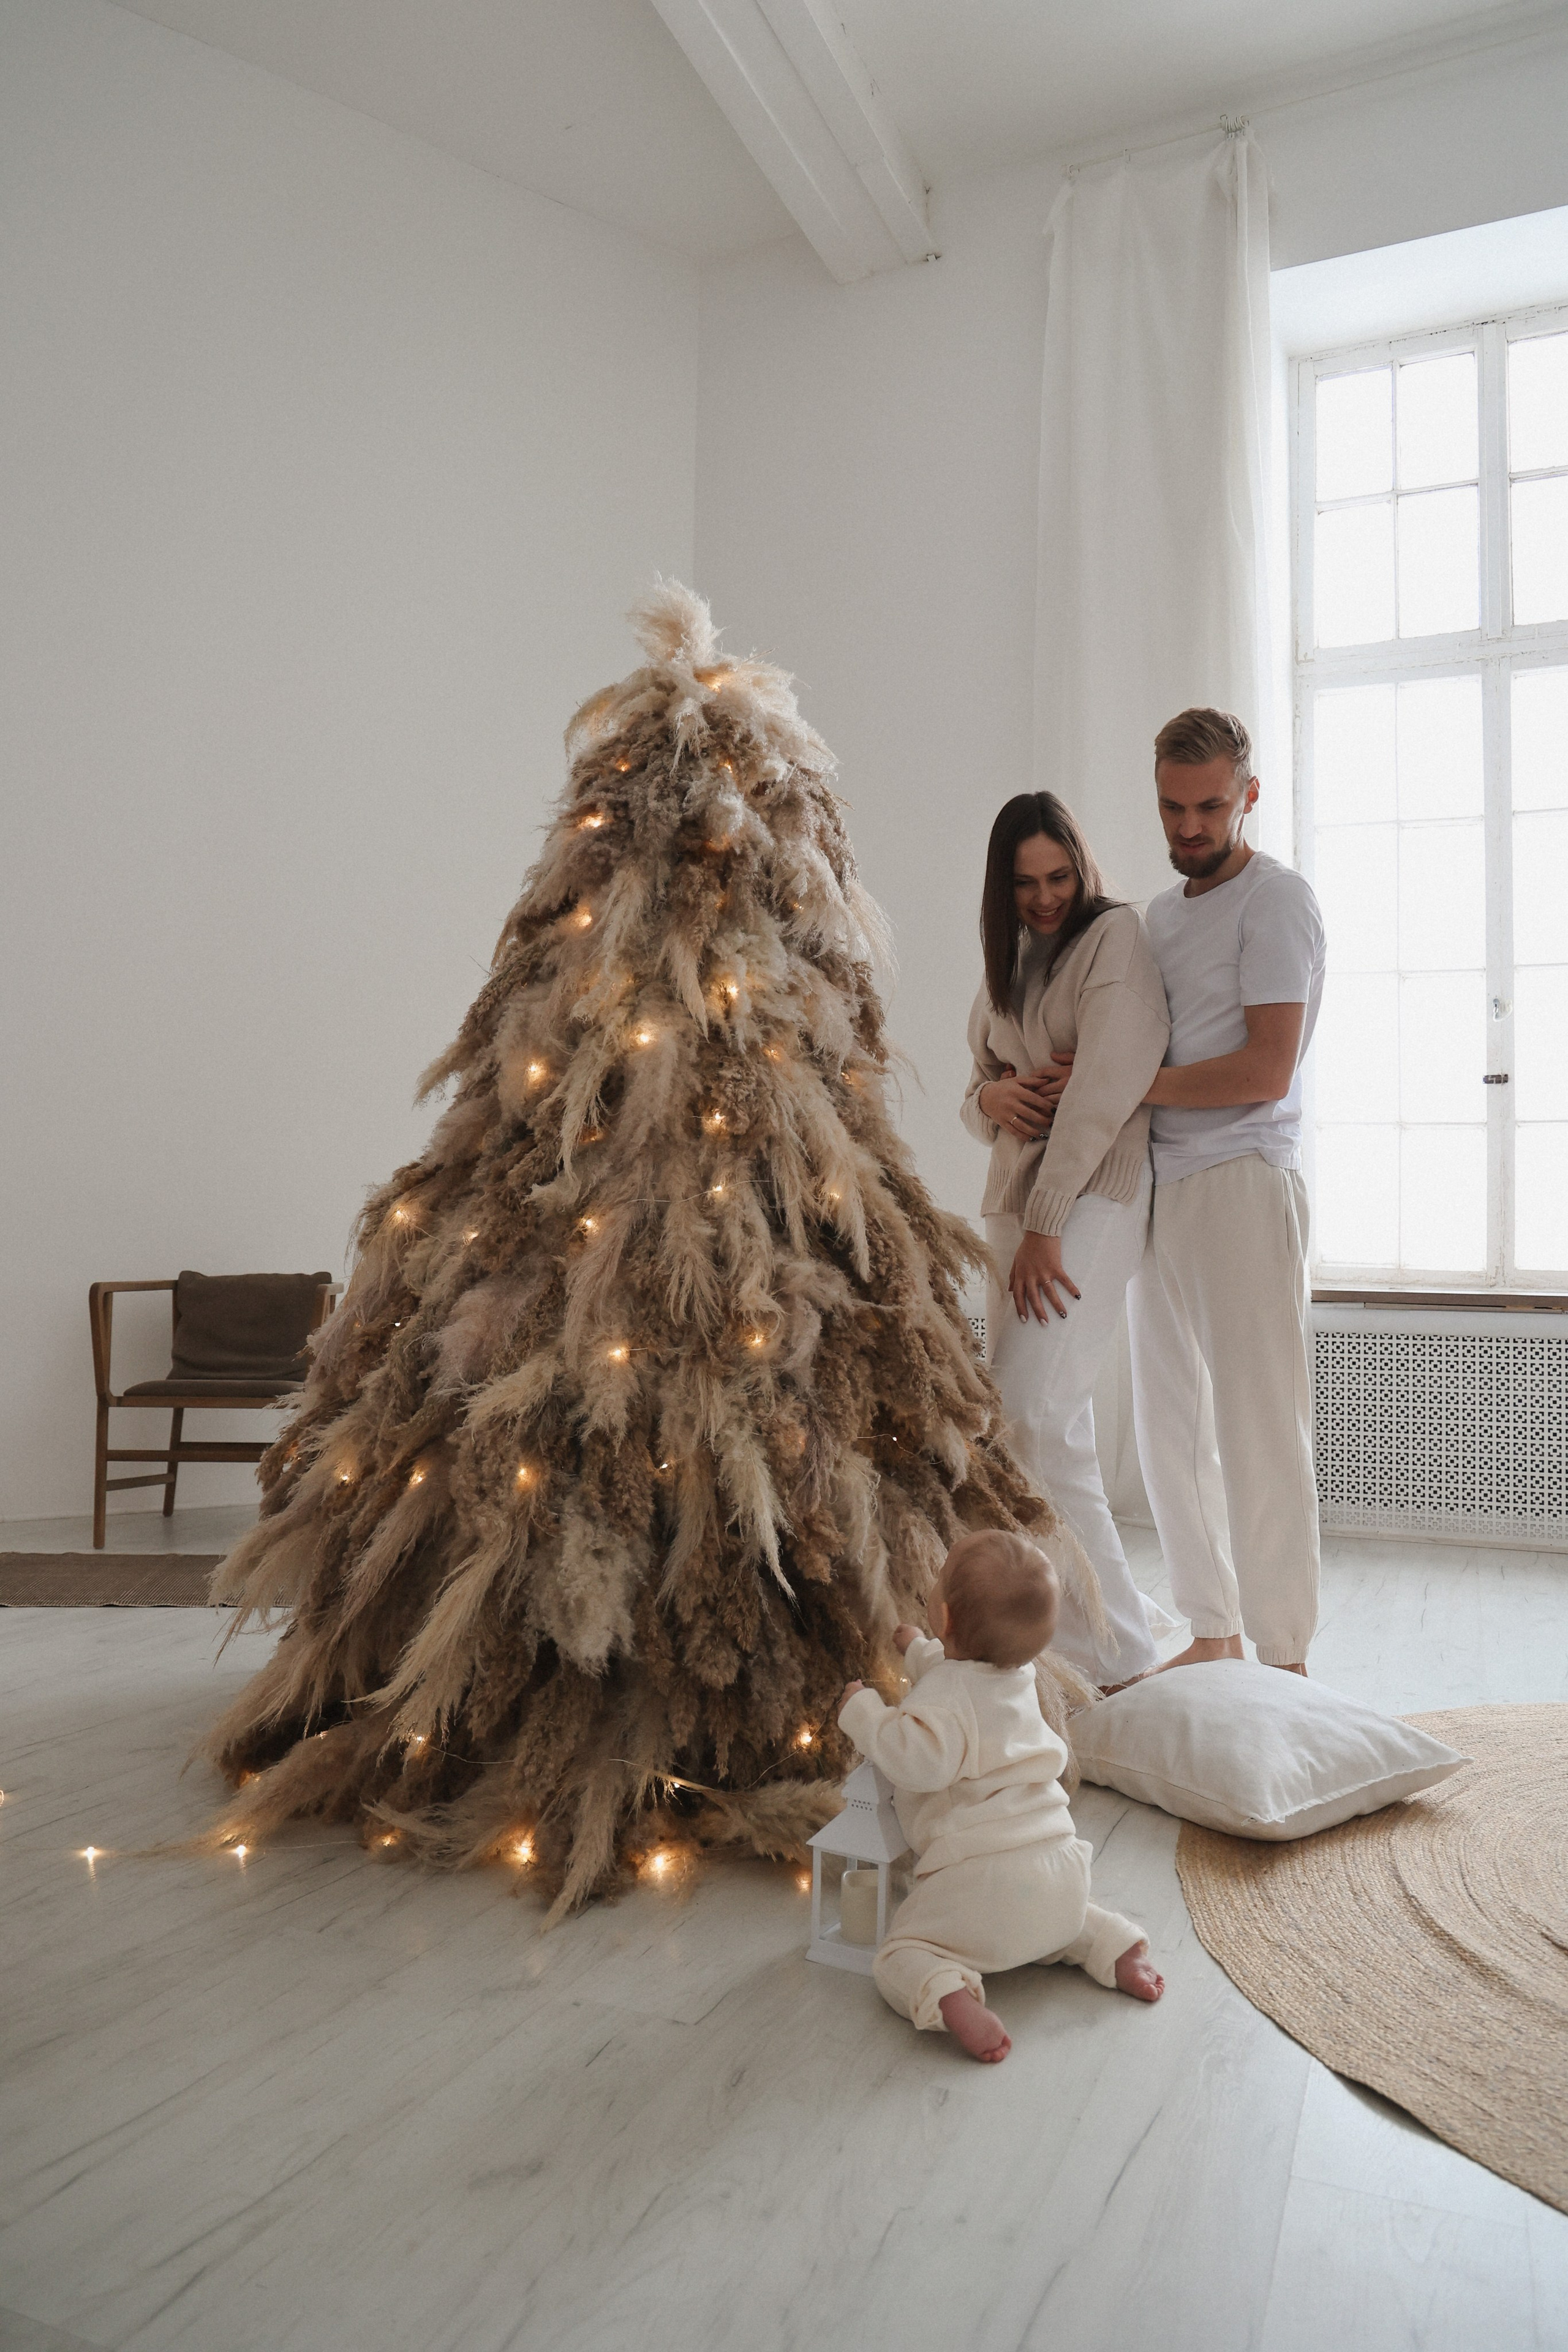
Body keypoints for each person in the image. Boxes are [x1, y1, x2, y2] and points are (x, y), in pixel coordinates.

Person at [1046, 709, 1325, 1675]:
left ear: (1249, 795)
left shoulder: (1277, 902)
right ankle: (1213, 1632)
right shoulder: (1160, 919)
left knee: (1259, 1428)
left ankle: (1285, 1658)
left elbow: (1265, 1070)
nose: (1190, 826)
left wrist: (1121, 1087)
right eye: (1173, 807)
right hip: (1158, 1186)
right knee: (1168, 1428)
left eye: (1210, 806)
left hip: (1242, 1180)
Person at [960, 793, 1174, 1689]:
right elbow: (979, 1087)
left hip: (1087, 1201)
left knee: (1032, 1416)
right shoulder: (1012, 960)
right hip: (1015, 1208)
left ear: (1082, 870)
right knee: (1050, 1426)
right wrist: (990, 1099)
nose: (1046, 897)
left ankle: (1119, 1651)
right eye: (1025, 883)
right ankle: (1080, 1637)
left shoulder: (1113, 939)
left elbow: (1101, 1096)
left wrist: (1048, 1224)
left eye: (1059, 877)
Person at [838, 1530, 1163, 2064]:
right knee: (1062, 1924)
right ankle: (1115, 1946)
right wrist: (916, 1649)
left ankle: (948, 1995)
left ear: (945, 1617)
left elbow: (916, 1757)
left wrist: (863, 1711)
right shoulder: (1017, 1678)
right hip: (1060, 1866)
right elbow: (957, 1674)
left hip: (977, 1883)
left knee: (900, 1953)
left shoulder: (945, 1698)